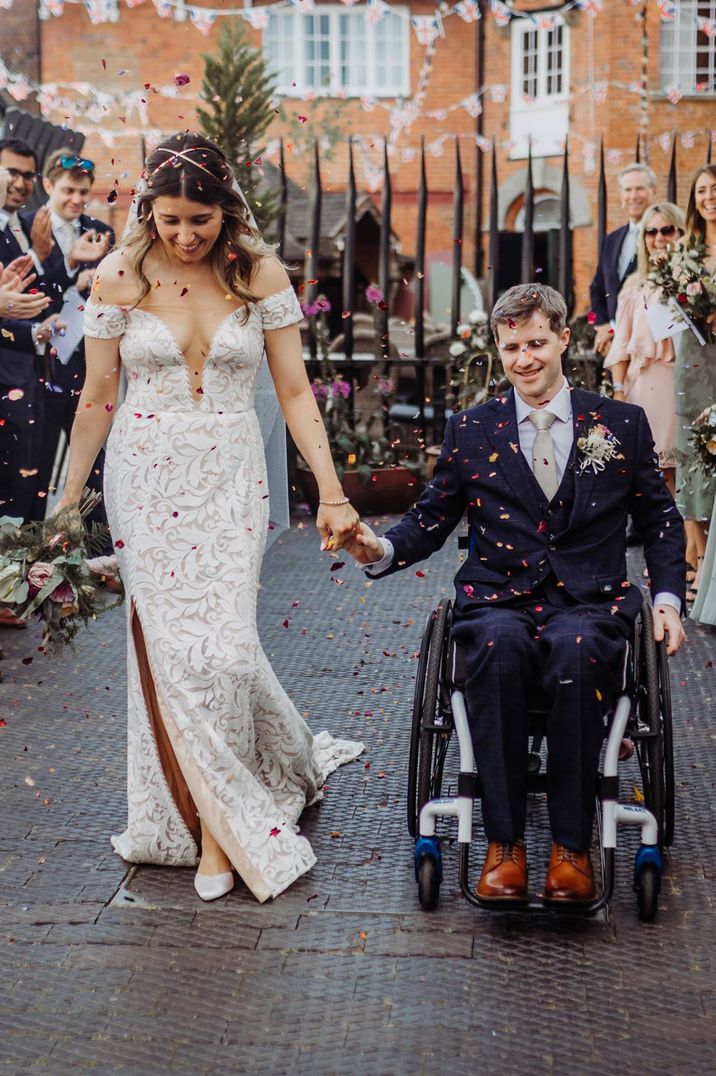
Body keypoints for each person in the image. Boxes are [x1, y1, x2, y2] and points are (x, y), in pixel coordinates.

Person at [53, 132, 364, 903]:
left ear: (227, 211)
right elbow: (96, 403)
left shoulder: (261, 275)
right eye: (170, 220)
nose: (186, 236)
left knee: (222, 650)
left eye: (201, 220)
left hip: (230, 475)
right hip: (146, 479)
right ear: (146, 212)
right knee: (174, 655)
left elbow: (295, 392)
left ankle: (226, 818)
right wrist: (62, 511)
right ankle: (215, 836)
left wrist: (331, 491)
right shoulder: (119, 278)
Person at [344, 283, 685, 904]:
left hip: (588, 603)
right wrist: (380, 549)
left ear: (562, 340)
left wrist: (667, 599)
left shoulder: (621, 425)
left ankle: (571, 849)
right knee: (497, 650)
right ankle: (503, 846)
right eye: (512, 348)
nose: (525, 359)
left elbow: (661, 520)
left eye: (536, 343)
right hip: (498, 600)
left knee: (579, 650)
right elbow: (431, 519)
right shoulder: (472, 429)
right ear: (498, 351)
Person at [25, 149, 113, 535]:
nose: (76, 200)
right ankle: (28, 553)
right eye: (68, 191)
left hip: (84, 363)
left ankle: (99, 553)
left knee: (93, 461)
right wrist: (70, 270)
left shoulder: (99, 231)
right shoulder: (24, 229)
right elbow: (29, 294)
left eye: (83, 192)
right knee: (35, 464)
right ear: (47, 186)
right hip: (39, 365)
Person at [605, 201, 685, 494]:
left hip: (681, 383)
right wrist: (618, 391)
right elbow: (621, 345)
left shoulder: (694, 280)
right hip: (642, 386)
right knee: (651, 472)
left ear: (681, 232)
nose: (659, 238)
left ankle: (688, 537)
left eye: (667, 230)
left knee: (682, 470)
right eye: (651, 232)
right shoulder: (633, 286)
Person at [679, 164, 716, 619]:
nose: (709, 197)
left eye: (715, 189)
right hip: (693, 361)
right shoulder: (686, 252)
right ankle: (696, 552)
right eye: (703, 191)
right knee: (692, 449)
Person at [590, 163, 656, 358]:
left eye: (640, 188)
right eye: (628, 190)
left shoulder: (666, 236)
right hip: (615, 347)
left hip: (650, 344)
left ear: (653, 191)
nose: (633, 196)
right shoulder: (611, 240)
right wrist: (604, 329)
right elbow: (597, 289)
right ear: (621, 195)